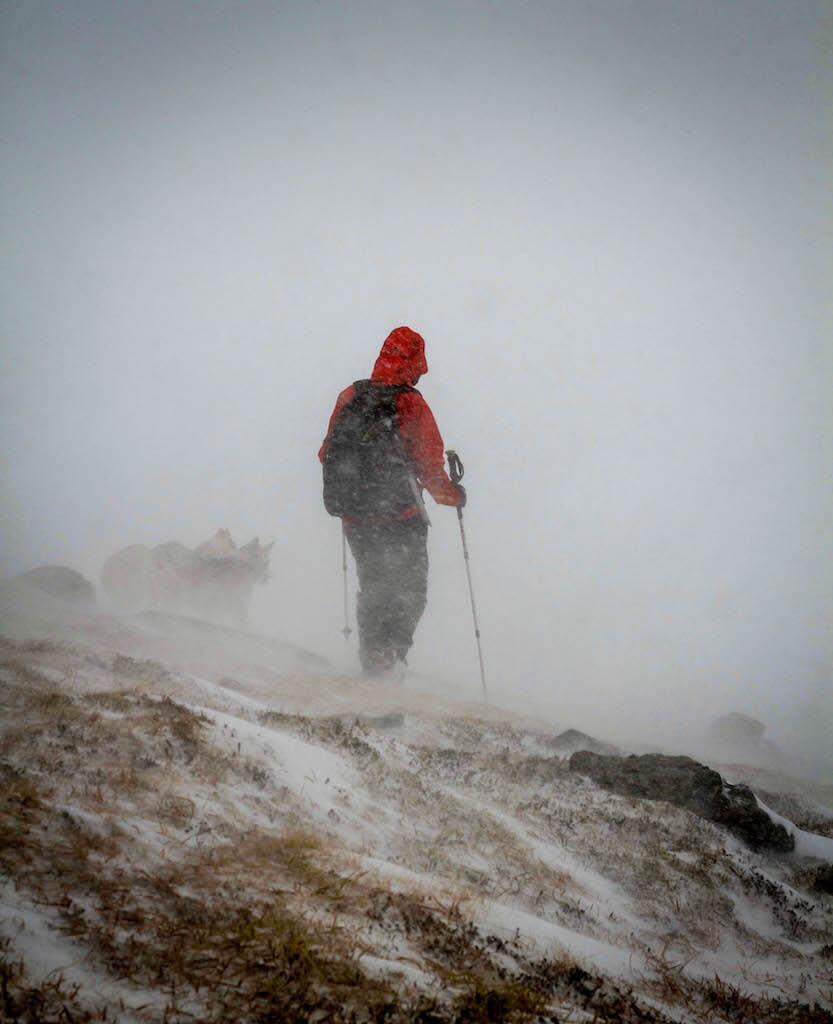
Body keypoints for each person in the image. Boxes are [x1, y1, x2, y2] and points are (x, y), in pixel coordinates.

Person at [319, 326, 465, 677]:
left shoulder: (350, 395)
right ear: (415, 362)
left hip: (355, 516)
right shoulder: (410, 403)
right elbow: (429, 468)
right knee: (409, 591)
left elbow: (326, 453)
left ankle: (373, 660)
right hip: (402, 517)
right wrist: (454, 496)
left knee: (373, 587)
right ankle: (393, 660)